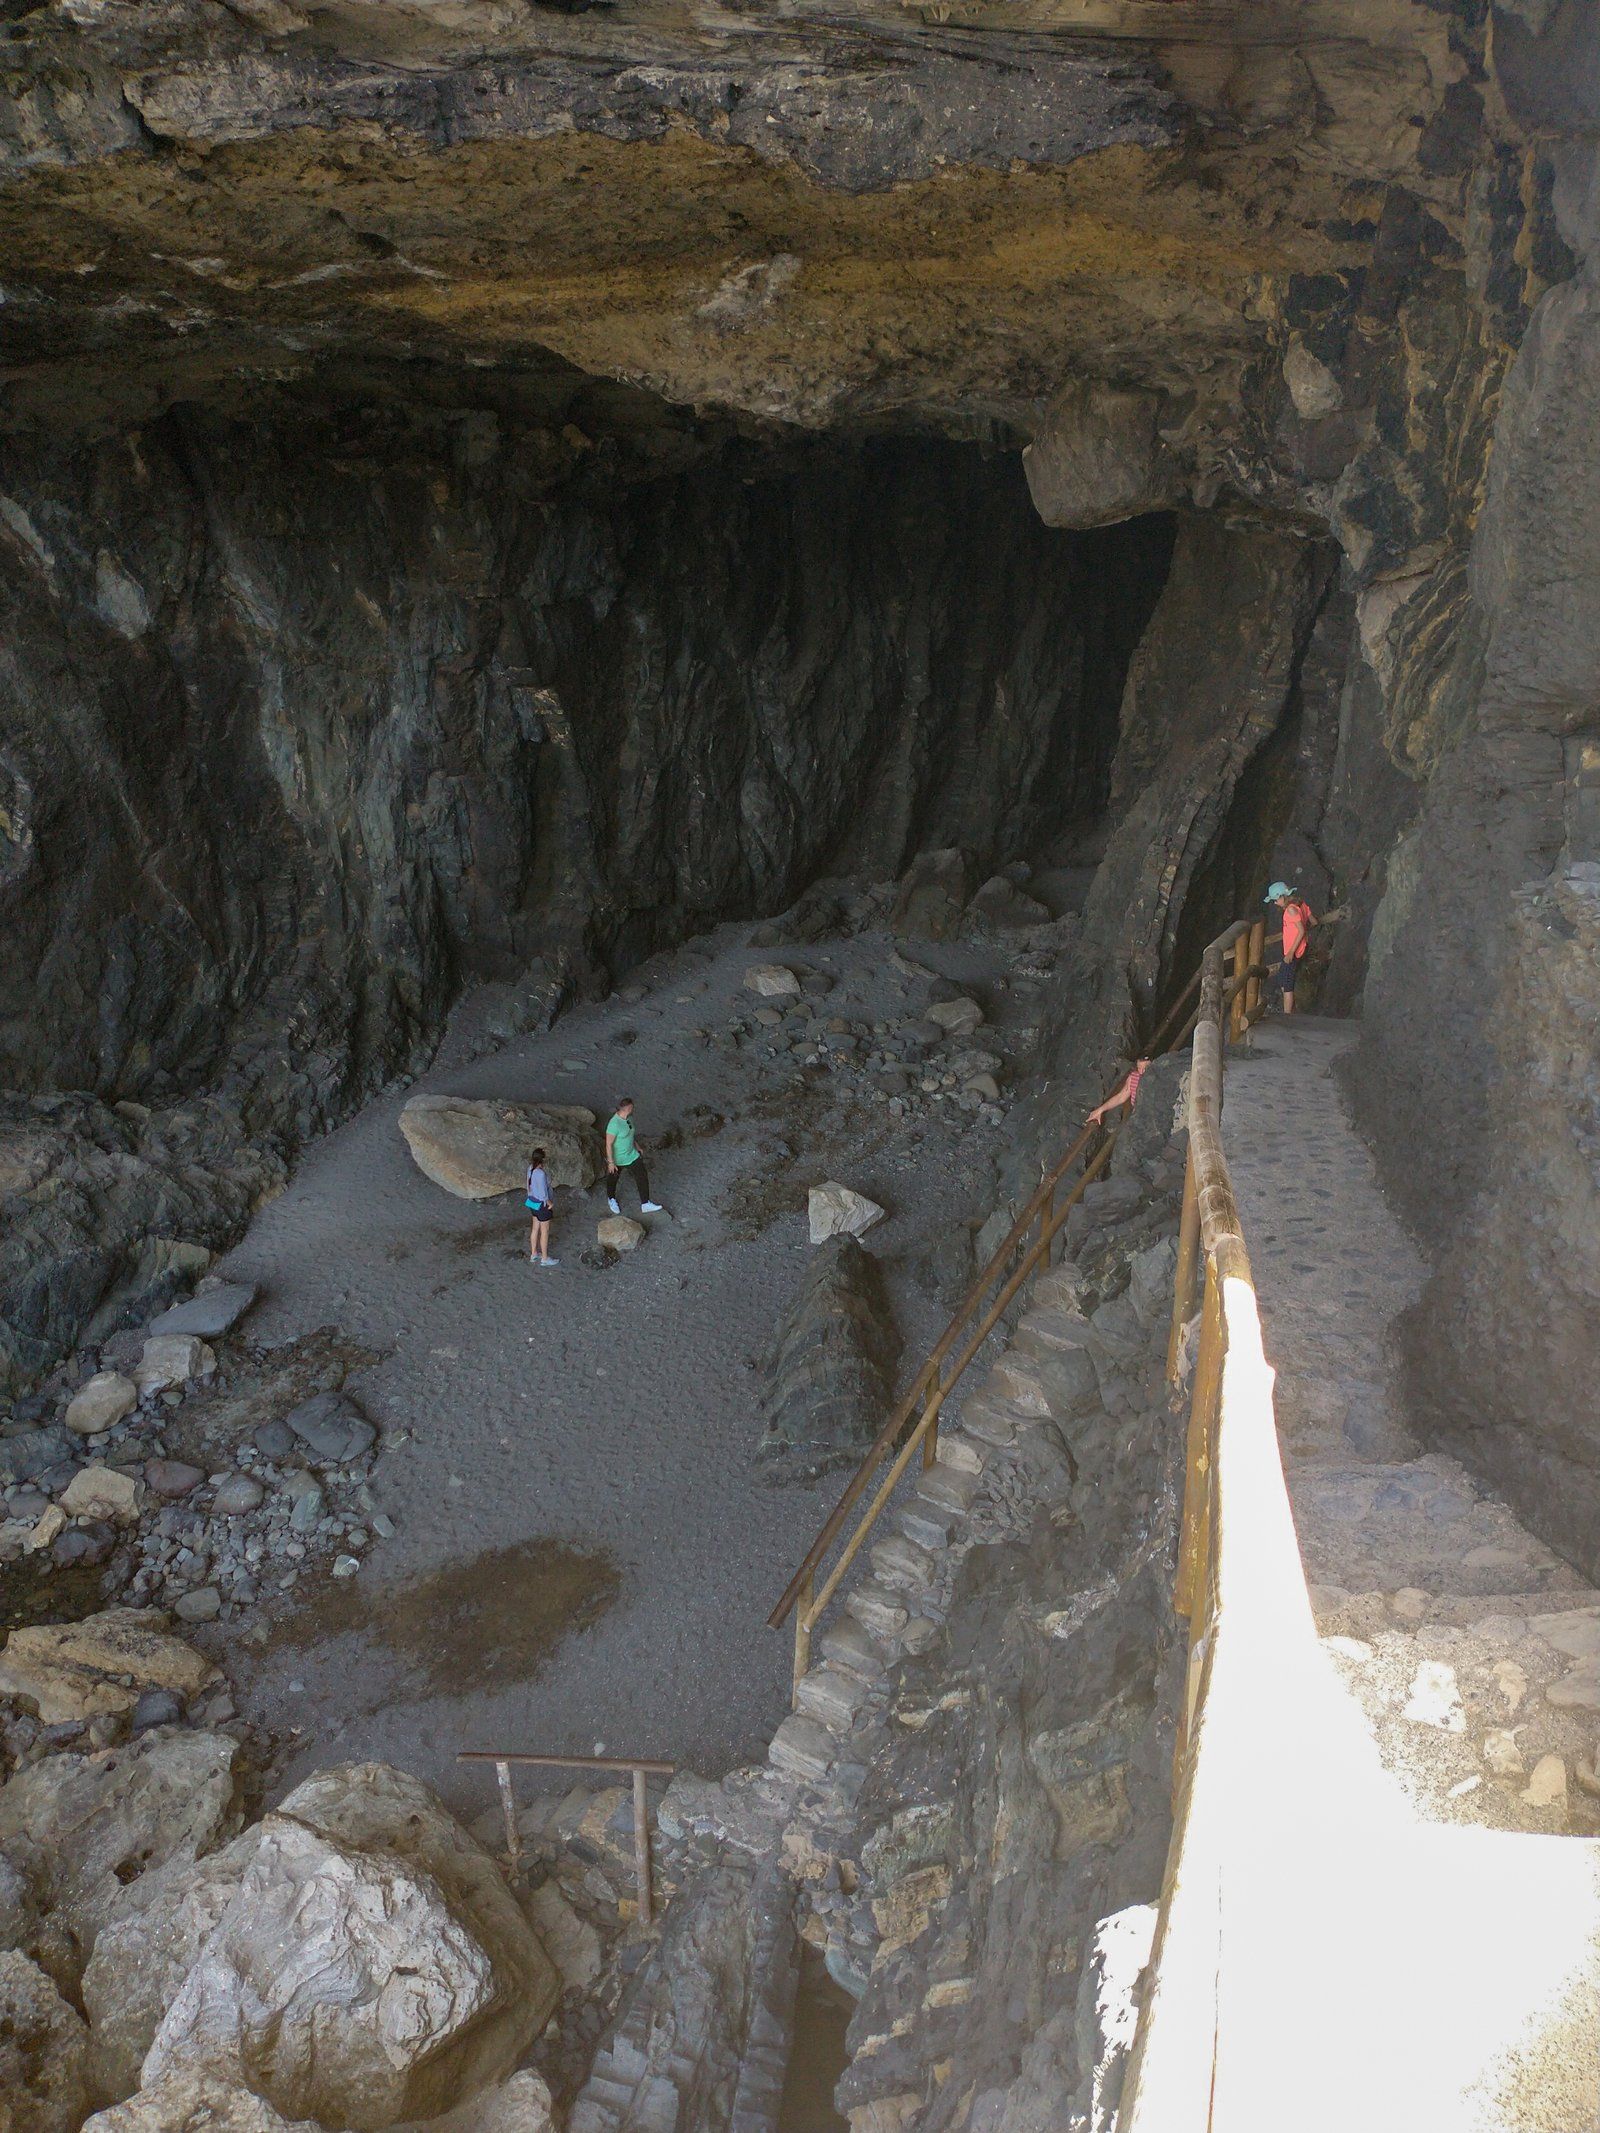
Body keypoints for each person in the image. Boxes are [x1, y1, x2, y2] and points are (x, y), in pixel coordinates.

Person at [1265, 881, 1320, 1014]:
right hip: (1299, 949)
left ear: (1282, 897)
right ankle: (1291, 1010)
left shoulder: (1291, 910)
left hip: (1293, 952)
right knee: (1282, 978)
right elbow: (1314, 922)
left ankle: (1287, 1017)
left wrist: (1290, 953)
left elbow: (1301, 931)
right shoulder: (1301, 904)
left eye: (1275, 900)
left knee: (1287, 984)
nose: (1275, 903)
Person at [605, 1098, 664, 1215]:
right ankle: (611, 1199)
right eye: (632, 1107)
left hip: (631, 1154)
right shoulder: (614, 1124)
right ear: (628, 1108)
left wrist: (637, 1146)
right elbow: (608, 1144)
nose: (634, 1109)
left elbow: (630, 1134)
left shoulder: (629, 1119)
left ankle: (645, 1203)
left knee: (642, 1176)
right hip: (618, 1158)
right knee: (613, 1179)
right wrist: (611, 1162)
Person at [1088, 1056, 1151, 1127]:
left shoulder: (1155, 1080)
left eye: (1145, 1068)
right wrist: (1100, 1110)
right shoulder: (1133, 1077)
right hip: (1139, 1118)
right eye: (1139, 1068)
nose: (1141, 1072)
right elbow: (1120, 1097)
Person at [526, 1148, 557, 1267]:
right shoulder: (541, 1173)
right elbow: (544, 1193)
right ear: (542, 1159)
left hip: (532, 1203)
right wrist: (550, 1203)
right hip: (542, 1205)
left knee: (535, 1228)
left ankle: (534, 1254)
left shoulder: (530, 1168)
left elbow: (528, 1186)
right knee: (545, 1231)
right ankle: (544, 1258)